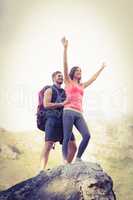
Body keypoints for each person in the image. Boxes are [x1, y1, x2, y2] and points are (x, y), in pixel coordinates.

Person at [61, 37, 107, 164]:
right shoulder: (68, 81)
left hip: (79, 113)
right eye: (77, 71)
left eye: (80, 71)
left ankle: (78, 158)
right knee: (67, 137)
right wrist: (65, 48)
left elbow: (93, 78)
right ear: (73, 73)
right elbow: (65, 65)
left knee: (87, 135)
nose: (80, 72)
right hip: (68, 112)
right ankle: (64, 160)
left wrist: (101, 68)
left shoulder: (82, 85)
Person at [39, 71, 77, 171]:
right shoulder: (49, 90)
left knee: (73, 146)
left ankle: (65, 168)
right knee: (48, 144)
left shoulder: (65, 92)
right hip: (52, 119)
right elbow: (46, 105)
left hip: (64, 121)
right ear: (53, 78)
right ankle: (41, 170)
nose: (61, 77)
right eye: (58, 76)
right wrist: (62, 104)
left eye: (62, 76)